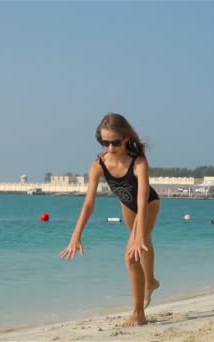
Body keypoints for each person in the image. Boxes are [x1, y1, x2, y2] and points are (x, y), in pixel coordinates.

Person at [60, 112, 161, 327]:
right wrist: (75, 236)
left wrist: (137, 234)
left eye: (115, 142)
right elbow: (88, 203)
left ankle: (138, 313)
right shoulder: (99, 165)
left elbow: (142, 200)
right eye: (104, 142)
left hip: (148, 205)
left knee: (132, 254)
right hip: (127, 207)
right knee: (143, 243)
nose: (110, 147)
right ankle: (150, 281)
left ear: (125, 138)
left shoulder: (138, 162)